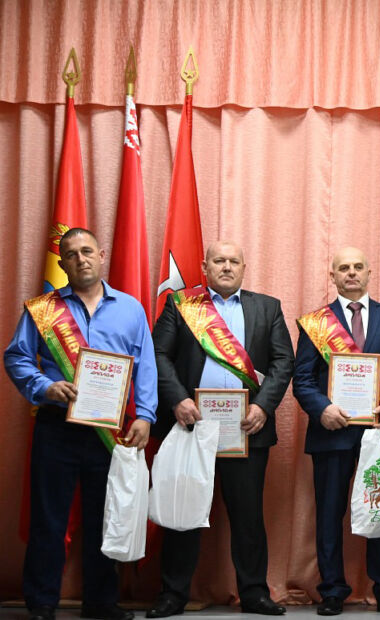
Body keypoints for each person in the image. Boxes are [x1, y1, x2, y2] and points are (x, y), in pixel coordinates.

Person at [5, 227, 157, 620]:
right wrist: (45, 386)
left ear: (101, 255)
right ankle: (42, 602)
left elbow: (146, 367)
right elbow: (17, 357)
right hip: (57, 425)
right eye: (71, 254)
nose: (81, 259)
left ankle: (101, 602)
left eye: (87, 251)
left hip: (110, 430)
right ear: (63, 263)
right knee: (48, 517)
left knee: (103, 517)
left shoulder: (131, 309)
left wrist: (145, 415)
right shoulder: (43, 309)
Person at [146, 241, 294, 618]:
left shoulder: (268, 307)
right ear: (205, 266)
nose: (226, 267)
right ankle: (173, 594)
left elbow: (283, 362)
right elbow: (157, 354)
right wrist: (178, 399)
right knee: (183, 511)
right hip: (191, 425)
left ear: (244, 267)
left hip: (247, 428)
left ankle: (254, 594)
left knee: (248, 516)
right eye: (219, 261)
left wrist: (263, 406)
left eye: (233, 261)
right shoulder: (182, 305)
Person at [293, 247, 380, 617]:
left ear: (369, 273)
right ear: (332, 276)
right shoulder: (316, 323)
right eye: (343, 268)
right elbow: (302, 379)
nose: (351, 273)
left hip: (378, 434)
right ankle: (332, 590)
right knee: (329, 515)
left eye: (357, 267)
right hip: (332, 433)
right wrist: (322, 409)